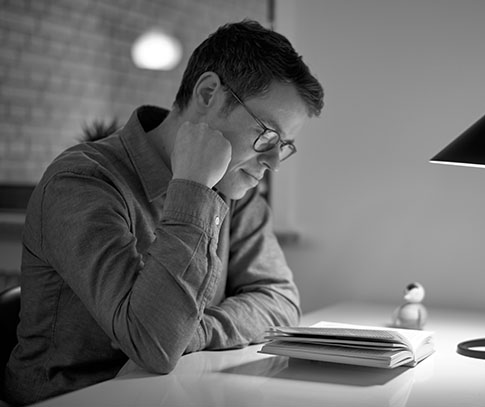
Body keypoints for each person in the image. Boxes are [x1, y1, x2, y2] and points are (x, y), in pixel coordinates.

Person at [1, 19, 324, 405]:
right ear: (208, 94)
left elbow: (280, 299)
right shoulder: (82, 182)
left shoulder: (236, 190)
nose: (272, 161)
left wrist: (195, 331)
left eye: (284, 145)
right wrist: (192, 188)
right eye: (267, 135)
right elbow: (153, 344)